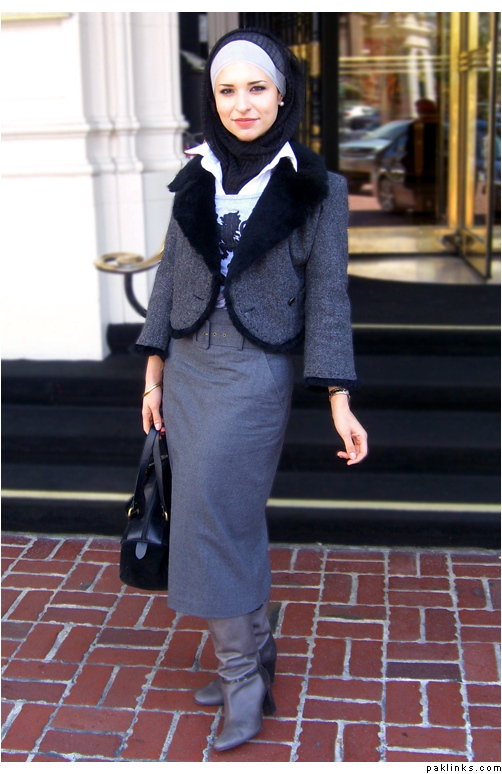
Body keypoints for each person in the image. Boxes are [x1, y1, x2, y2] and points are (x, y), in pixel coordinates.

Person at [135, 28, 368, 752]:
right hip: (188, 369)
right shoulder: (196, 173)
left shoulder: (318, 187)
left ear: (283, 93)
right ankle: (257, 655)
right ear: (212, 98)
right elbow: (171, 277)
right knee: (226, 519)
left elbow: (328, 297)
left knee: (211, 521)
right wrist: (153, 371)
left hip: (252, 374)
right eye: (226, 90)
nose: (242, 103)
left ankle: (240, 680)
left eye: (257, 88)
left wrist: (338, 396)